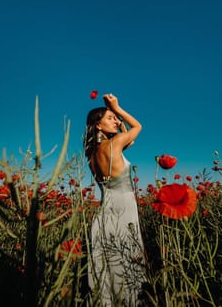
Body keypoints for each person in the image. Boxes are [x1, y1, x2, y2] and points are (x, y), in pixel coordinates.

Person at [84, 93, 146, 306]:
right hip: (124, 209)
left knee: (107, 266)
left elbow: (130, 140)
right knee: (127, 261)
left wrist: (117, 122)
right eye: (109, 118)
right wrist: (117, 108)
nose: (116, 122)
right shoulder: (115, 144)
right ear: (98, 126)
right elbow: (137, 127)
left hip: (104, 212)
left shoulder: (93, 154)